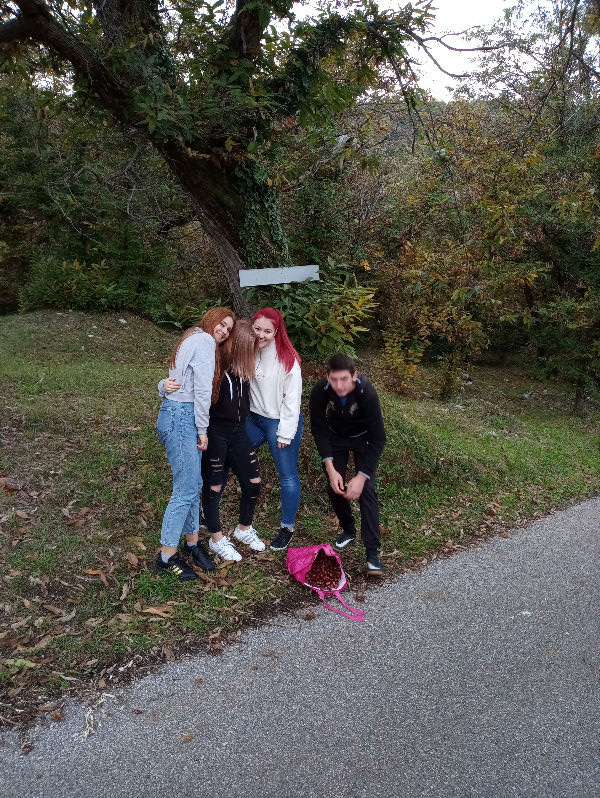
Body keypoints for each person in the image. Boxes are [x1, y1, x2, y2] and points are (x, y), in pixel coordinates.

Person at [155, 307, 234, 581]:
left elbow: (176, 381)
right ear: (210, 319)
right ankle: (166, 556)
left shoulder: (193, 336)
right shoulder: (204, 340)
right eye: (221, 323)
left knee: (193, 484)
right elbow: (200, 390)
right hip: (182, 416)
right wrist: (202, 429)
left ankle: (191, 543)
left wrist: (161, 386)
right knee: (186, 488)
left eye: (228, 329)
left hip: (176, 413)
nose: (223, 331)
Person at [309, 353, 386, 575]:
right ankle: (349, 529)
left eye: (344, 379)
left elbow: (379, 438)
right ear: (327, 377)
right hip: (336, 436)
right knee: (334, 486)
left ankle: (372, 554)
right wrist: (330, 467)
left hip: (364, 438)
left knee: (366, 490)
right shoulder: (321, 390)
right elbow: (319, 429)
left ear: (354, 376)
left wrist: (361, 476)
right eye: (334, 380)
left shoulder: (366, 392)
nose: (339, 385)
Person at [200, 320, 265, 562]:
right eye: (249, 348)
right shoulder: (216, 367)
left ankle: (244, 529)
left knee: (254, 482)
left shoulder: (244, 372)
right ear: (236, 346)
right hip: (216, 432)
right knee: (214, 486)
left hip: (238, 432)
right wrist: (163, 386)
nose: (252, 353)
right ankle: (216, 539)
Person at [247, 308, 302, 551]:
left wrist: (285, 433)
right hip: (254, 418)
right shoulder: (249, 349)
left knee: (287, 475)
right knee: (229, 453)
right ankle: (208, 510)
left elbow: (293, 401)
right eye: (257, 329)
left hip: (279, 421)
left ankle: (287, 527)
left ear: (277, 332)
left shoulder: (288, 360)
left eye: (267, 331)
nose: (261, 335)